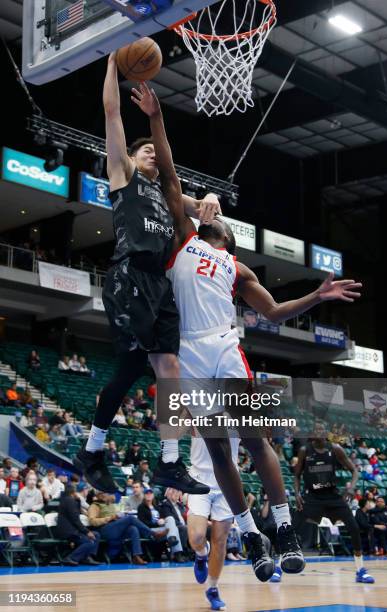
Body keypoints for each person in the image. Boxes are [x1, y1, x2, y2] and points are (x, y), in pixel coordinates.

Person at [132, 83, 362, 582]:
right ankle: (250, 535)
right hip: (187, 353)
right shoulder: (183, 240)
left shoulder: (238, 268)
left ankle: (283, 529)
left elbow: (276, 312)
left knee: (255, 440)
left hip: (224, 348)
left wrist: (317, 297)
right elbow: (169, 171)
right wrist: (155, 117)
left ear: (229, 237)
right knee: (218, 450)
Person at [73, 51, 220, 496]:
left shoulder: (162, 192)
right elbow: (112, 111)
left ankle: (167, 462)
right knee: (139, 363)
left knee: (167, 366)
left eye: (155, 149)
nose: (152, 152)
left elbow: (198, 205)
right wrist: (114, 63)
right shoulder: (123, 175)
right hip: (130, 275)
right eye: (145, 149)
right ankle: (95, 449)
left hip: (160, 283)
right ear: (131, 157)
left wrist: (208, 199)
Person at [294, 421, 375, 584]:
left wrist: (351, 488)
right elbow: (296, 475)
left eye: (322, 429)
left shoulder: (335, 449)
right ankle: (280, 567)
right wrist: (296, 493)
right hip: (313, 497)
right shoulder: (304, 451)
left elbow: (354, 471)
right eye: (316, 429)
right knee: (292, 527)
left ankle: (360, 570)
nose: (319, 431)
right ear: (312, 433)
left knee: (353, 527)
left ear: (326, 433)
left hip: (333, 496)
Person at [187, 435, 241, 610]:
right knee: (196, 537)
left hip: (227, 480)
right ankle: (202, 554)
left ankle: (212, 589)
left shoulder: (240, 410)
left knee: (220, 540)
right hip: (198, 478)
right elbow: (173, 431)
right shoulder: (195, 408)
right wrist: (173, 474)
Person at [88, 491, 162, 564]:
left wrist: (118, 516)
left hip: (114, 527)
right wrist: (109, 518)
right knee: (130, 519)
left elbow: (114, 517)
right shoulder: (95, 506)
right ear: (99, 495)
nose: (106, 495)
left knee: (133, 529)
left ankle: (136, 556)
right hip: (104, 530)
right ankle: (153, 533)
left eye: (107, 493)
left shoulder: (110, 504)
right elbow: (93, 521)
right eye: (104, 493)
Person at [55, 485, 100, 566]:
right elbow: (75, 520)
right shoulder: (69, 501)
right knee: (90, 541)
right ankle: (71, 558)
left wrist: (78, 501)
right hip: (68, 532)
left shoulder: (68, 500)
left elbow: (77, 514)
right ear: (73, 492)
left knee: (96, 535)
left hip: (72, 530)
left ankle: (87, 557)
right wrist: (87, 532)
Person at [159, 488, 188, 562]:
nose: (176, 494)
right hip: (172, 526)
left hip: (183, 525)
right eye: (174, 492)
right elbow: (169, 517)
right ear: (169, 494)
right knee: (183, 528)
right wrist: (183, 524)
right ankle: (181, 553)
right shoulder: (166, 504)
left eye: (178, 492)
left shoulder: (180, 505)